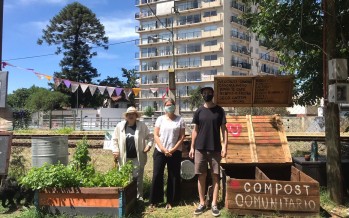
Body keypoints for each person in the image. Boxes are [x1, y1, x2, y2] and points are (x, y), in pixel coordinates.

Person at [189, 87, 228, 217]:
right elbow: (195, 130)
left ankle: (214, 204)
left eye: (209, 93)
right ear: (201, 96)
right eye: (204, 93)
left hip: (215, 149)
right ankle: (201, 203)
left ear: (213, 94)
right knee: (201, 176)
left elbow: (224, 130)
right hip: (200, 148)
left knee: (215, 176)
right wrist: (192, 147)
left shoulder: (219, 110)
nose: (207, 95)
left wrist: (224, 146)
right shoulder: (199, 111)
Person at [149, 97, 185, 210]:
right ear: (164, 107)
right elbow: (156, 135)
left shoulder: (180, 119)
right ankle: (154, 200)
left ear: (175, 106)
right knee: (157, 175)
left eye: (171, 105)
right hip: (160, 151)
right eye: (168, 105)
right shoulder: (160, 119)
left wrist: (173, 149)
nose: (170, 106)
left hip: (175, 151)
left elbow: (182, 136)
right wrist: (163, 149)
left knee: (173, 176)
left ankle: (171, 201)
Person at [112, 106, 153, 201]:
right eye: (129, 114)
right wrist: (115, 150)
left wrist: (149, 145)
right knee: (124, 176)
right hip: (124, 157)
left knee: (138, 178)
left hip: (137, 157)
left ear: (136, 116)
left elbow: (151, 136)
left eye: (133, 114)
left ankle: (139, 197)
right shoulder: (120, 126)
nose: (131, 116)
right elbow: (114, 139)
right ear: (126, 116)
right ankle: (126, 198)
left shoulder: (142, 126)